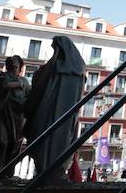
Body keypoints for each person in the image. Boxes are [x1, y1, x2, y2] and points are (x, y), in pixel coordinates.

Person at [22, 36, 85, 185]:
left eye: (55, 49)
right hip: (60, 116)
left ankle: (48, 172)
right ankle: (53, 172)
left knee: (46, 139)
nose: (54, 52)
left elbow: (38, 87)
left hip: (49, 112)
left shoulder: (53, 67)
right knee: (54, 139)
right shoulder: (78, 69)